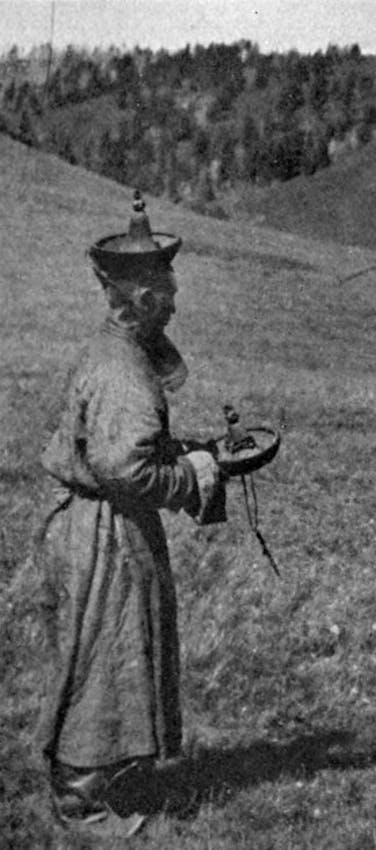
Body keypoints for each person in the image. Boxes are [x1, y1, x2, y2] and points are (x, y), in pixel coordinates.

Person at [33, 192, 226, 836]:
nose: (173, 302)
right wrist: (193, 475)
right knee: (104, 656)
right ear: (140, 300)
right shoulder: (122, 370)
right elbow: (127, 470)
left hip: (101, 523)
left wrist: (183, 451)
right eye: (166, 293)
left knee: (115, 651)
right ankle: (81, 800)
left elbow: (127, 448)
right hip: (105, 531)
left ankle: (110, 775)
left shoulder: (117, 353)